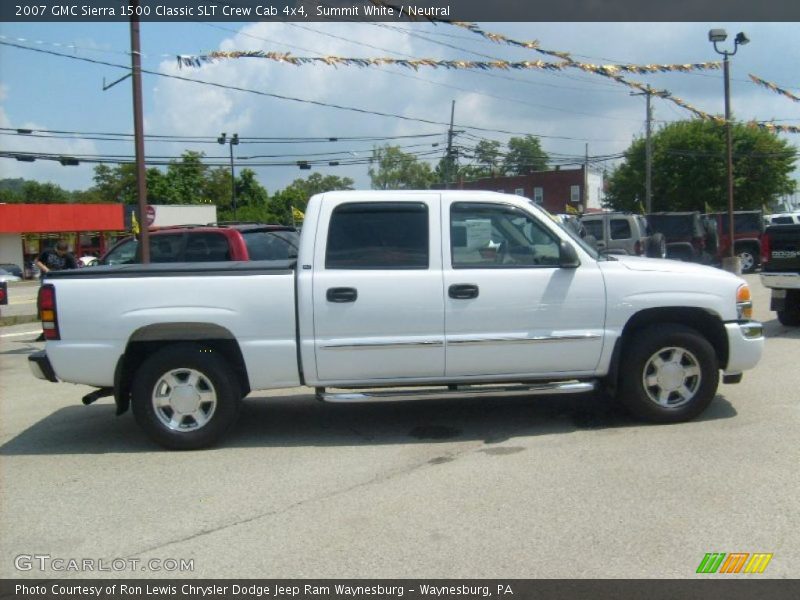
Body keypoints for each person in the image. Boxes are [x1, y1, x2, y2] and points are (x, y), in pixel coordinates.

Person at [34, 241, 77, 341]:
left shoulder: (69, 257)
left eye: (63, 253)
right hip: (47, 280)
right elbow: (38, 261)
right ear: (56, 249)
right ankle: (45, 331)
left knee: (59, 306)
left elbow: (74, 270)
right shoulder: (48, 252)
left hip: (61, 283)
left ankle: (64, 329)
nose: (61, 254)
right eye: (59, 252)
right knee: (45, 304)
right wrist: (46, 269)